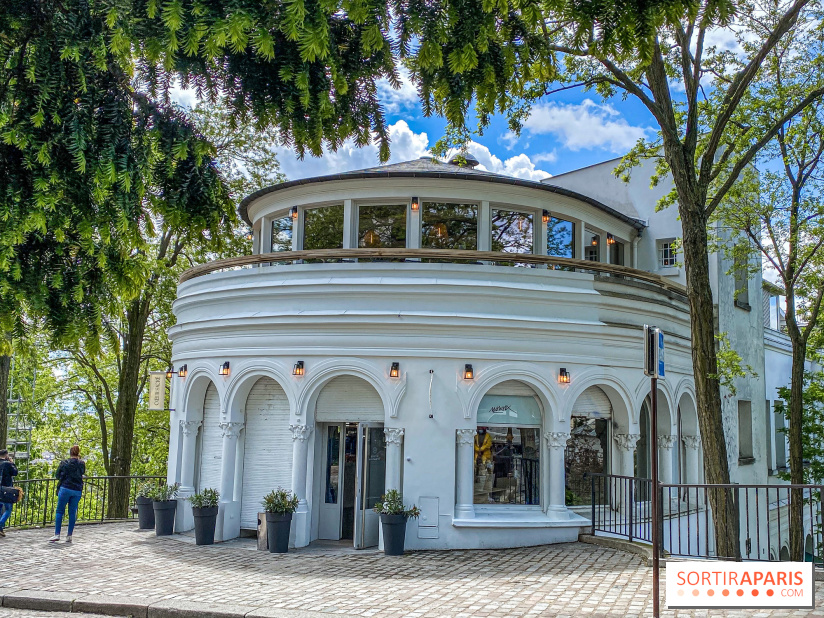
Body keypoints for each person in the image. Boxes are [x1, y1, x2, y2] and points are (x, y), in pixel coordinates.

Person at [49, 445, 85, 543]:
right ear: (78, 453)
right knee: (72, 512)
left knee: (60, 511)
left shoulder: (64, 463)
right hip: (77, 489)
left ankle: (57, 534)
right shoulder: (81, 463)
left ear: (70, 453)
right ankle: (69, 535)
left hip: (65, 488)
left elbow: (57, 475)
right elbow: (82, 472)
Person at [0, 449, 18, 537]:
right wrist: (12, 463)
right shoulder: (7, 464)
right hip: (6, 490)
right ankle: (0, 525)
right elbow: (15, 472)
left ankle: (1, 530)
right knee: (8, 509)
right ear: (6, 455)